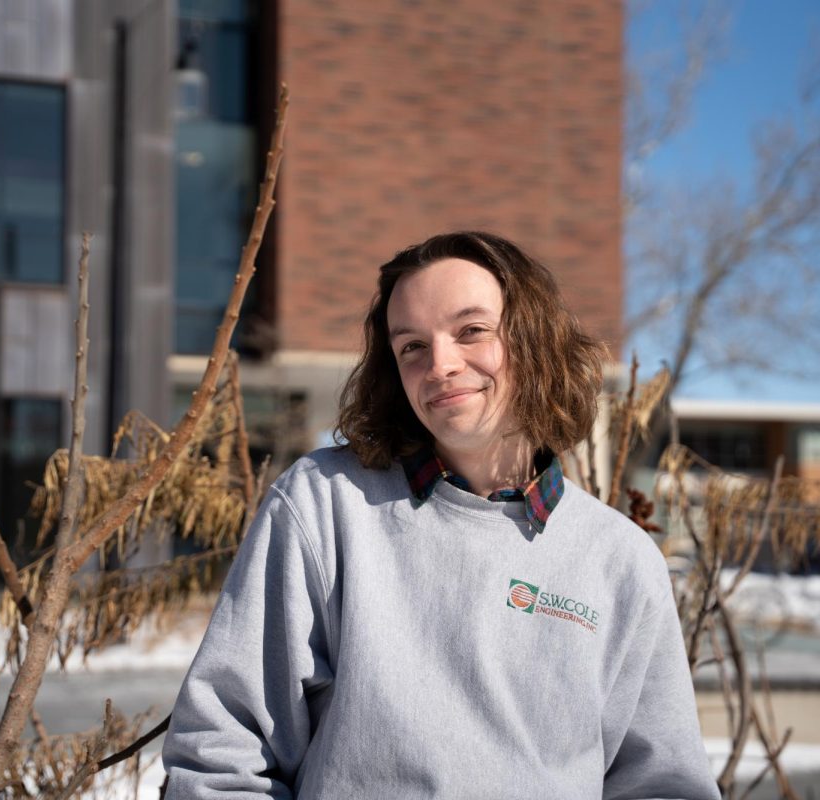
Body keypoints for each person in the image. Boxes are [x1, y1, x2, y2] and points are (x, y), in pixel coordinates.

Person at [160, 231, 718, 799]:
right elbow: (222, 751)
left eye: (471, 331)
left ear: (535, 340)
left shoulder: (620, 559)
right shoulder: (326, 505)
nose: (441, 364)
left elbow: (662, 787)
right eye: (412, 347)